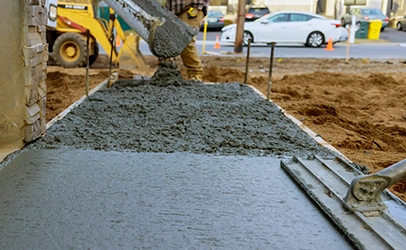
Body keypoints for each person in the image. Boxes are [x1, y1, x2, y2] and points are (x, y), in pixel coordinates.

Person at [166, 0, 210, 81]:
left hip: (191, 8)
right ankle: (165, 72)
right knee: (165, 40)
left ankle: (196, 75)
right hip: (172, 9)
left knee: (186, 42)